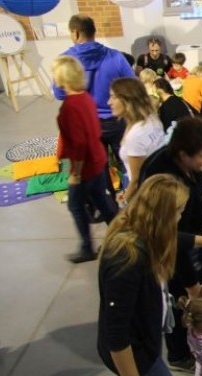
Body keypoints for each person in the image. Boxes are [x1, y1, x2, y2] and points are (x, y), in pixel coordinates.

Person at [97, 174, 202, 376]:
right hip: (137, 354)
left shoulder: (141, 226)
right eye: (179, 213)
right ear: (165, 215)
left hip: (148, 339)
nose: (180, 218)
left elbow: (170, 237)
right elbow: (117, 335)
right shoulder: (126, 261)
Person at [139, 118, 202, 372]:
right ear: (183, 154)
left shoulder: (186, 166)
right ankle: (178, 354)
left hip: (185, 236)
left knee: (190, 288)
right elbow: (169, 242)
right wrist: (192, 285)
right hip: (168, 250)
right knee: (181, 297)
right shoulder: (162, 176)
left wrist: (199, 218)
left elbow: (194, 195)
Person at [54, 15, 135, 202]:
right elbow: (133, 86)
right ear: (93, 31)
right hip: (117, 120)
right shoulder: (116, 56)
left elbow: (58, 93)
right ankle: (131, 198)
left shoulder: (65, 61)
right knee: (127, 162)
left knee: (99, 167)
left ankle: (108, 201)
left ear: (75, 33)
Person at [52, 55, 118, 263]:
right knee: (102, 201)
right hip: (98, 160)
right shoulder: (86, 98)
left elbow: (78, 143)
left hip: (86, 167)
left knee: (75, 205)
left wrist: (76, 174)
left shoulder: (70, 106)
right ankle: (123, 235)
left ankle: (86, 247)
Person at [108, 78, 165, 203]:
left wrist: (125, 203)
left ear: (127, 100)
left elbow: (136, 179)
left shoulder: (136, 135)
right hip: (161, 188)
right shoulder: (152, 119)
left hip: (147, 196)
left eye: (113, 97)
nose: (109, 102)